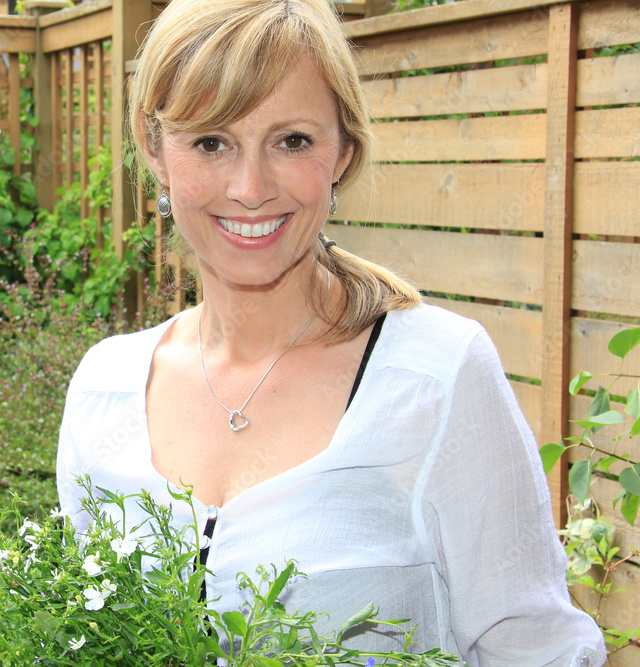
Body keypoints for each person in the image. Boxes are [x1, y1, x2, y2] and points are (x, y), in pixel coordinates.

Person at [56, 0, 607, 663]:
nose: (250, 186)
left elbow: (536, 646)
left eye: (292, 141)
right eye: (210, 141)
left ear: (343, 149)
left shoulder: (435, 378)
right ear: (154, 149)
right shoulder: (103, 393)